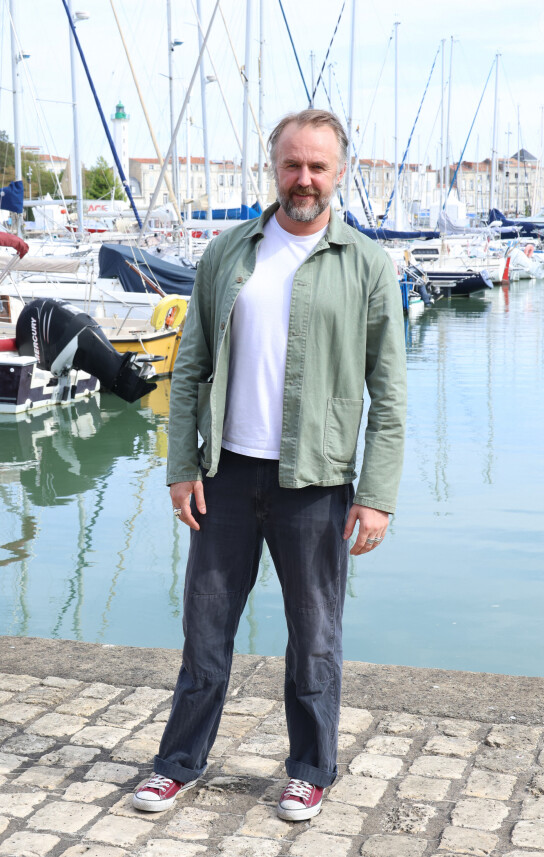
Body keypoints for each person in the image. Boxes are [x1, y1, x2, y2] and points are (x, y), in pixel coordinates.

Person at [133, 109, 406, 822]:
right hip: (224, 477)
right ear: (274, 167)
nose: (304, 178)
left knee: (315, 639)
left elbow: (392, 394)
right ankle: (177, 763)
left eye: (318, 165)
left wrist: (376, 495)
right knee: (205, 631)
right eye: (292, 164)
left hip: (314, 485)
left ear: (341, 171)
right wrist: (181, 465)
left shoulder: (370, 266)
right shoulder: (228, 253)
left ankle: (311, 770)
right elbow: (191, 366)